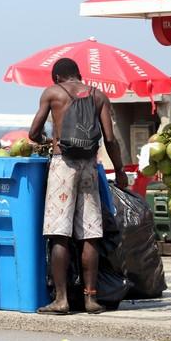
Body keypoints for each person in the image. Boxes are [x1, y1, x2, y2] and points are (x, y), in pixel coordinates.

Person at [29, 58, 128, 315]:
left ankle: (61, 299)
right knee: (90, 233)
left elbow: (33, 132)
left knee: (59, 232)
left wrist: (44, 139)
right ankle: (91, 299)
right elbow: (109, 138)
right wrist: (119, 169)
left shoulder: (52, 93)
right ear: (79, 74)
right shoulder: (98, 95)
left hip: (63, 164)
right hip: (89, 166)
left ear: (56, 78)